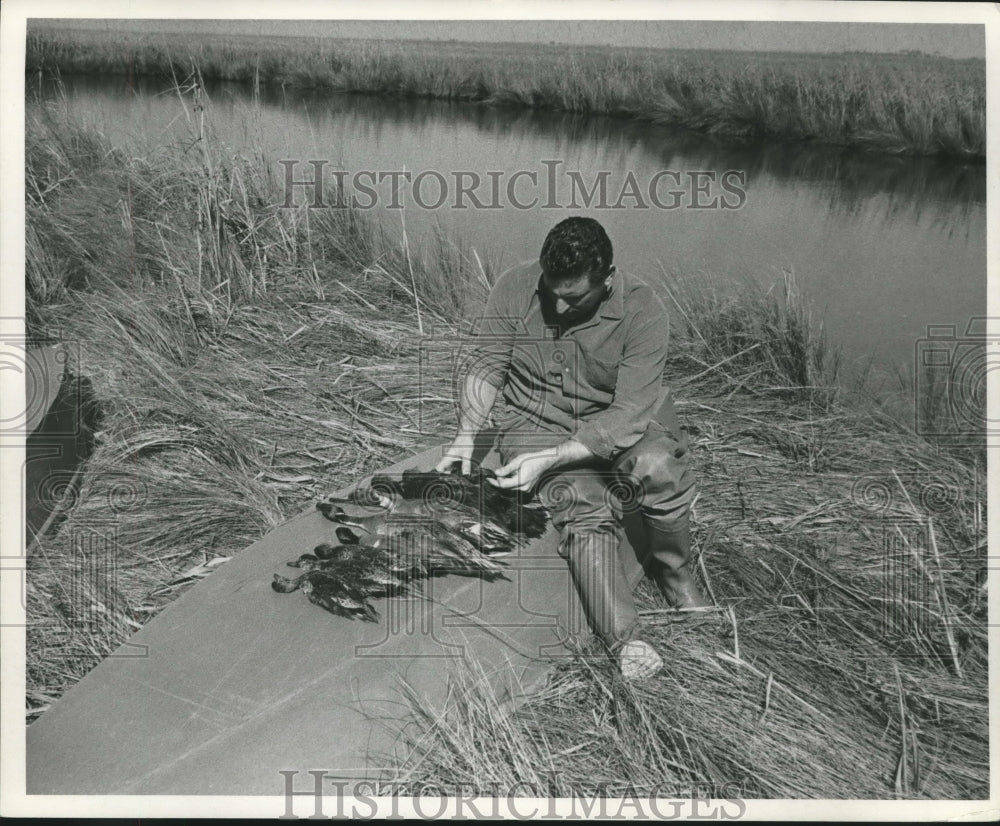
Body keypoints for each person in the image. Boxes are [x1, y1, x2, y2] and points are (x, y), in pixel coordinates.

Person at [435, 216, 709, 679]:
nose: (559, 309)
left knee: (659, 466)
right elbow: (486, 365)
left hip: (614, 419)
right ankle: (626, 639)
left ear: (608, 278)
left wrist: (556, 455)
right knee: (580, 499)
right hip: (534, 421)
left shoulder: (644, 310)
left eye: (575, 298)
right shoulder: (514, 286)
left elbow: (631, 412)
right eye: (552, 293)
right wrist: (467, 436)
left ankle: (675, 576)